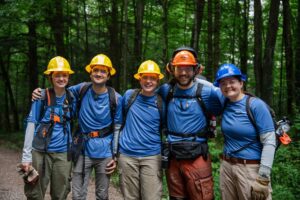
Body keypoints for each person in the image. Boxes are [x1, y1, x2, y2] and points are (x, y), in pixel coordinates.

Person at [32, 54, 122, 200]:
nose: (99, 73)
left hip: (105, 151)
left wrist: (115, 156)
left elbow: (117, 128)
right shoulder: (81, 89)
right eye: (96, 70)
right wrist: (40, 92)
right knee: (77, 194)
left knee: (102, 194)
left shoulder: (116, 98)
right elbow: (58, 89)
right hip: (82, 148)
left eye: (103, 71)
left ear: (109, 75)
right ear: (90, 72)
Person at [158, 47, 223, 200]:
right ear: (171, 69)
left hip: (197, 155)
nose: (183, 73)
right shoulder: (166, 91)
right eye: (179, 68)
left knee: (202, 197)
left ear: (196, 69)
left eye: (188, 68)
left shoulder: (208, 90)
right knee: (176, 197)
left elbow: (231, 100)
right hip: (173, 155)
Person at [214, 63, 276, 200]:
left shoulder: (255, 105)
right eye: (223, 83)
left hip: (251, 169)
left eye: (232, 82)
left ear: (241, 83)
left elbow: (270, 141)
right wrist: (194, 70)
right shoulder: (225, 102)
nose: (228, 86)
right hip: (227, 167)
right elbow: (205, 85)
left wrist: (263, 177)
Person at [21, 56, 76, 200]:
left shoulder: (72, 98)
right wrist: (26, 157)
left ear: (68, 77)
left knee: (61, 193)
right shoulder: (41, 96)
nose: (61, 78)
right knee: (35, 193)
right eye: (57, 75)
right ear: (50, 77)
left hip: (63, 153)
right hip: (40, 151)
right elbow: (31, 125)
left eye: (64, 75)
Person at [117, 60, 165, 200]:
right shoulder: (129, 96)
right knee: (130, 197)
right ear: (139, 78)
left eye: (152, 78)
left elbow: (164, 126)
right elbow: (119, 123)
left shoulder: (161, 102)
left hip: (152, 156)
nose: (148, 81)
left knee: (152, 197)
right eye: (145, 77)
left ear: (157, 81)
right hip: (127, 155)